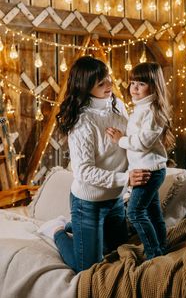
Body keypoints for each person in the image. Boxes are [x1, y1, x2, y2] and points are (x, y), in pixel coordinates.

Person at [38, 55, 151, 273]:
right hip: (89, 203)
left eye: (108, 78)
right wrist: (124, 178)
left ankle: (76, 227)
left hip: (116, 199)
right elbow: (84, 172)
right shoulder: (82, 122)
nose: (110, 84)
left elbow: (129, 141)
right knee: (87, 267)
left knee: (118, 255)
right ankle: (58, 230)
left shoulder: (117, 104)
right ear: (86, 87)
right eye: (101, 83)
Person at [106, 62, 174, 260]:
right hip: (146, 168)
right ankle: (161, 248)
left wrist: (121, 140)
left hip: (150, 171)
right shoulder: (141, 108)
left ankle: (154, 254)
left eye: (140, 84)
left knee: (135, 212)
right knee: (152, 212)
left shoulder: (153, 111)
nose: (133, 88)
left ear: (153, 86)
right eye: (132, 83)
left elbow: (143, 143)